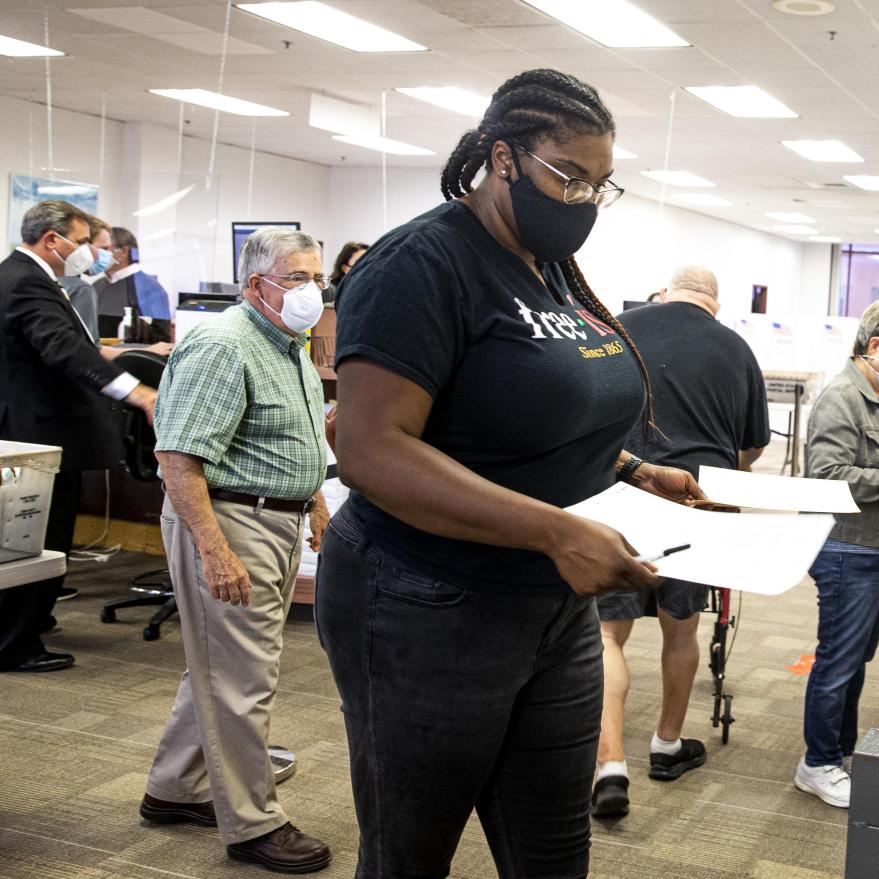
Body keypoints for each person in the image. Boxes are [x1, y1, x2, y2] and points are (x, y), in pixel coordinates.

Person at [316, 68, 705, 878]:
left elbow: (528, 413)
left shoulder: (548, 266)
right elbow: (370, 449)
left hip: (548, 606)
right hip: (423, 599)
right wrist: (555, 528)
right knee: (408, 854)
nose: (585, 201)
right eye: (569, 177)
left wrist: (636, 470)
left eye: (602, 185)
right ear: (502, 157)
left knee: (553, 854)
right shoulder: (420, 265)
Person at [141, 227, 332, 874]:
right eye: (298, 278)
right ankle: (254, 822)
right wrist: (215, 551)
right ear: (257, 284)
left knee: (219, 666)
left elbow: (295, 436)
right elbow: (178, 457)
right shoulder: (223, 344)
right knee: (245, 676)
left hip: (273, 517)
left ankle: (173, 786)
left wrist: (316, 502)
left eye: (318, 278)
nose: (313, 291)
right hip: (227, 519)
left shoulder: (287, 342)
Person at [591, 265, 770, 819]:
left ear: (665, 293)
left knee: (607, 633)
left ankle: (609, 764)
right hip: (695, 499)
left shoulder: (614, 328)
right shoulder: (736, 348)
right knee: (681, 627)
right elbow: (751, 450)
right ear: (714, 305)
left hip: (619, 491)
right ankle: (667, 744)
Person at [0, 200, 158, 672]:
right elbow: (66, 350)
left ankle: (26, 625)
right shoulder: (28, 282)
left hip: (28, 430)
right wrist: (139, 394)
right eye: (85, 241)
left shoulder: (14, 274)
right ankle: (16, 643)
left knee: (25, 539)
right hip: (40, 433)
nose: (90, 252)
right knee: (39, 538)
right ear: (53, 240)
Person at [796, 294, 879, 810]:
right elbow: (826, 478)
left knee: (857, 659)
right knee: (837, 661)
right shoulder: (840, 398)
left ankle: (838, 752)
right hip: (849, 549)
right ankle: (816, 763)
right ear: (875, 347)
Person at [93, 226, 172, 341]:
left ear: (124, 252)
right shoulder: (96, 286)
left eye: (104, 249)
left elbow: (161, 339)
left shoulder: (150, 288)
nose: (95, 255)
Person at [59, 214, 113, 343]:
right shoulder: (80, 290)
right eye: (104, 249)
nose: (107, 255)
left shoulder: (42, 278)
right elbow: (87, 347)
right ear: (84, 246)